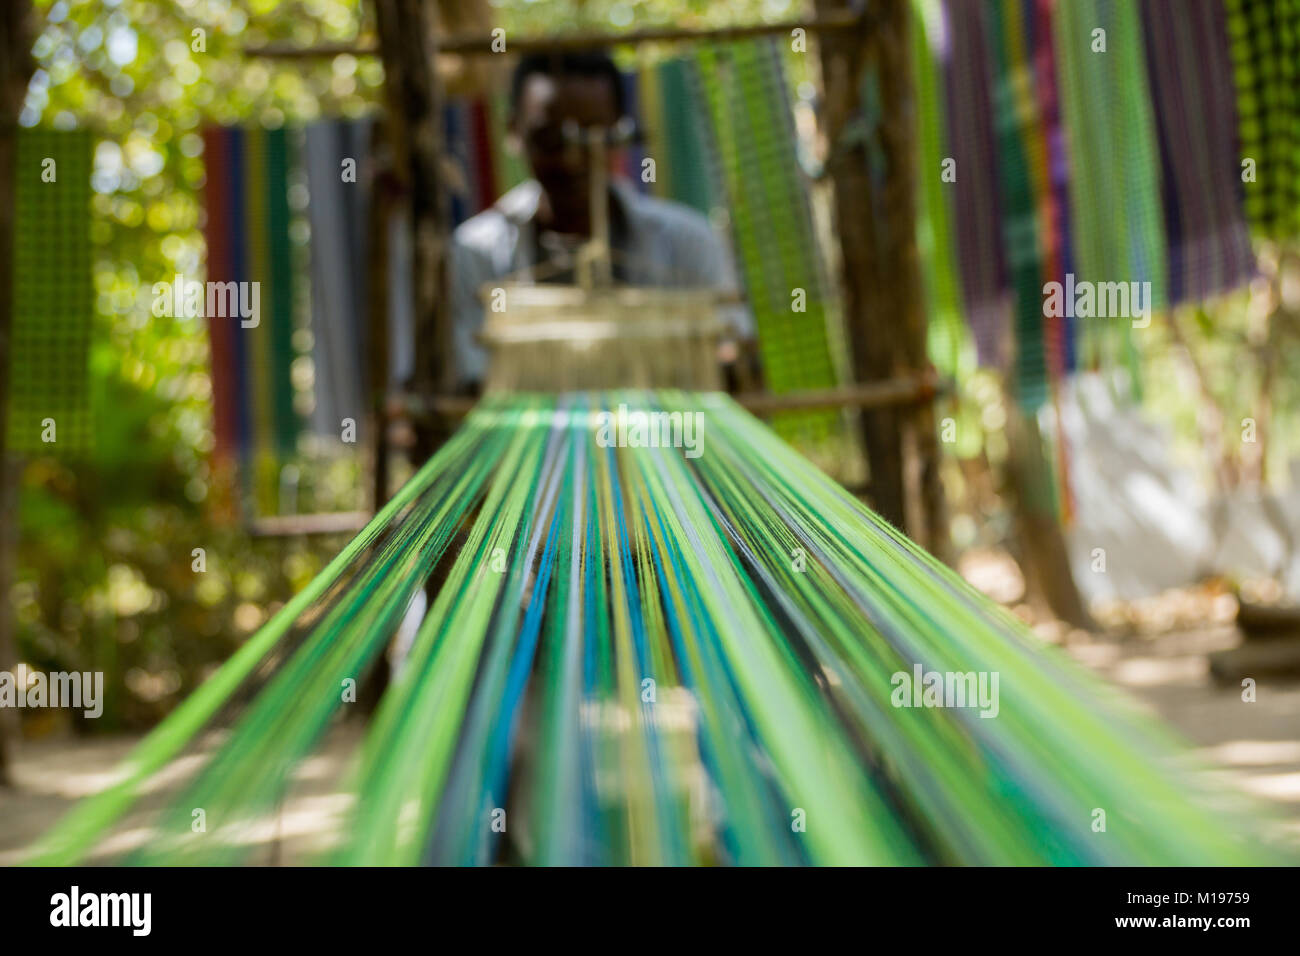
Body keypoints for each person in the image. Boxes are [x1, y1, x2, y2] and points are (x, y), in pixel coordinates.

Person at [448, 49, 754, 394]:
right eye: (551, 140)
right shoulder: (474, 253)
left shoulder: (690, 244)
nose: (572, 160)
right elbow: (469, 378)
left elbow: (733, 359)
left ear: (621, 131)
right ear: (514, 131)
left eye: (594, 137)